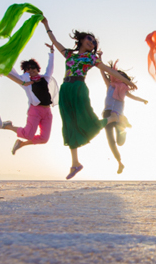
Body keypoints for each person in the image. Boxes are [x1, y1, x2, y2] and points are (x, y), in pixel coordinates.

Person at [41, 16, 137, 179]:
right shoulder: (69, 54)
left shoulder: (91, 58)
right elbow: (54, 41)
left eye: (94, 42)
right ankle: (75, 163)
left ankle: (112, 119)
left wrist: (127, 82)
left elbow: (109, 70)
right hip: (65, 89)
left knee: (89, 122)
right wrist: (46, 24)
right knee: (69, 124)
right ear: (81, 40)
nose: (91, 42)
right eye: (89, 39)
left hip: (79, 88)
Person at [3, 43, 58, 154]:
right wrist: (5, 60)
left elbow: (50, 68)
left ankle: (21, 144)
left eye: (33, 67)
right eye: (28, 69)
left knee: (44, 139)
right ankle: (9, 126)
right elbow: (12, 73)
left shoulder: (45, 78)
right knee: (28, 135)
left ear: (37, 69)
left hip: (47, 111)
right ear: (25, 72)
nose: (31, 70)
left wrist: (52, 53)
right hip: (35, 110)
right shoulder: (25, 82)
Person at [100, 62, 148, 174]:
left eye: (121, 76)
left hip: (118, 116)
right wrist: (100, 59)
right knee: (111, 141)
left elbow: (134, 97)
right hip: (107, 114)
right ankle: (120, 163)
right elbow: (102, 71)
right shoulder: (110, 85)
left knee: (120, 142)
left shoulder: (124, 89)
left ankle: (124, 127)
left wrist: (143, 100)